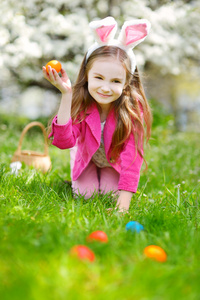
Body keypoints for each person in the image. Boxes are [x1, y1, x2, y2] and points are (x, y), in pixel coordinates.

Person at [42, 16, 152, 212]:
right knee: (87, 196)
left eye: (116, 81)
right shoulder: (82, 104)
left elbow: (132, 160)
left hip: (112, 162)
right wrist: (67, 94)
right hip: (87, 158)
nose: (105, 88)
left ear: (127, 83)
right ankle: (82, 176)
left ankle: (107, 179)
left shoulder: (132, 111)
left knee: (111, 196)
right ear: (87, 75)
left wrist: (122, 208)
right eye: (99, 78)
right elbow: (63, 142)